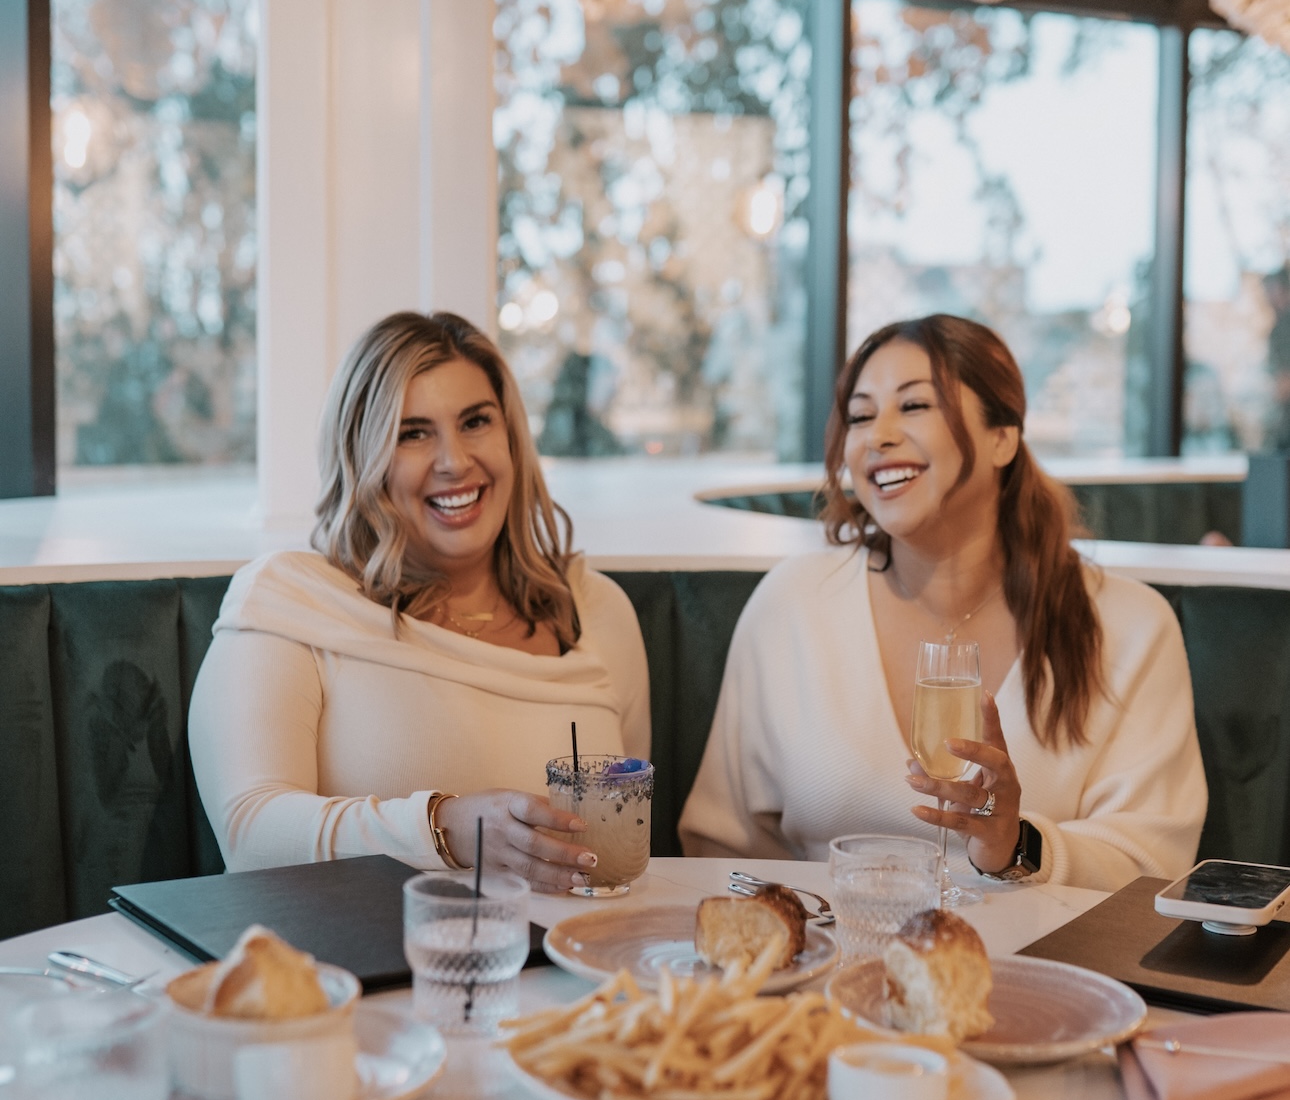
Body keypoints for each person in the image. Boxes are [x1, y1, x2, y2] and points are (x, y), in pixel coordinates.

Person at [680, 315, 1207, 889]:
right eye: (859, 415)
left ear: (1002, 436)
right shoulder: (791, 606)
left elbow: (1153, 867)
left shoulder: (1128, 626)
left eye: (913, 407)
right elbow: (721, 842)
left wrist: (1017, 844)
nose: (878, 435)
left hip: (1038, 971)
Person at [189, 312, 649, 890]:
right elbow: (248, 834)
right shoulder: (289, 603)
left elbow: (627, 844)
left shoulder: (594, 609)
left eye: (476, 422)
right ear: (363, 457)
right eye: (413, 433)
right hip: (359, 972)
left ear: (511, 437)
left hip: (577, 968)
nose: (454, 461)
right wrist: (445, 828)